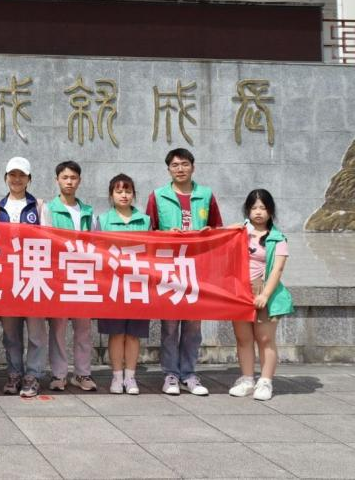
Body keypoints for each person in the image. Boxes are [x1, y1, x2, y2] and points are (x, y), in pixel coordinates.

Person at [145, 147, 221, 396]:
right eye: (175, 165)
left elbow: (218, 229)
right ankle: (170, 374)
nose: (180, 169)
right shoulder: (158, 196)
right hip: (169, 268)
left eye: (185, 164)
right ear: (168, 169)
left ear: (193, 167)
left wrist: (208, 233)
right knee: (169, 325)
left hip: (197, 269)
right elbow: (148, 232)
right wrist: (166, 235)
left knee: (193, 325)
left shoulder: (206, 195)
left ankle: (189, 373)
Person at [228, 189, 293, 402]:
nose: (258, 212)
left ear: (270, 211)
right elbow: (217, 237)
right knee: (243, 338)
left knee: (265, 338)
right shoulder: (240, 231)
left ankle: (265, 381)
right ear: (247, 210)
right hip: (240, 291)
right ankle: (247, 379)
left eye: (263, 208)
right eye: (254, 207)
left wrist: (265, 294)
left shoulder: (277, 238)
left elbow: (277, 270)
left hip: (264, 291)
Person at [40, 161, 97, 392]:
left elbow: (96, 242)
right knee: (58, 327)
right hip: (59, 275)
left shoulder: (88, 211)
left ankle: (82, 373)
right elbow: (46, 240)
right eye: (65, 177)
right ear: (57, 180)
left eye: (73, 178)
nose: (69, 182)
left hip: (83, 274)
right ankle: (59, 374)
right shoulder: (48, 209)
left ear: (79, 181)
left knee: (84, 328)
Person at [0, 156, 46, 398]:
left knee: (36, 332)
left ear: (29, 179)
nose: (17, 179)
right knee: (10, 333)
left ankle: (33, 375)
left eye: (22, 175)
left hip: (34, 277)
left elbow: (49, 242)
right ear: (6, 178)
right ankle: (14, 373)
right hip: (7, 279)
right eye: (12, 175)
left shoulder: (39, 206)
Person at [96, 173, 150, 395]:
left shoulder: (145, 220)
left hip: (138, 285)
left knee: (133, 334)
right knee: (116, 333)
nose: (124, 195)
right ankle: (117, 377)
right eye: (119, 191)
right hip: (113, 285)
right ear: (111, 195)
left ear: (134, 194)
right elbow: (97, 251)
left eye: (128, 191)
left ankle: (131, 377)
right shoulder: (102, 220)